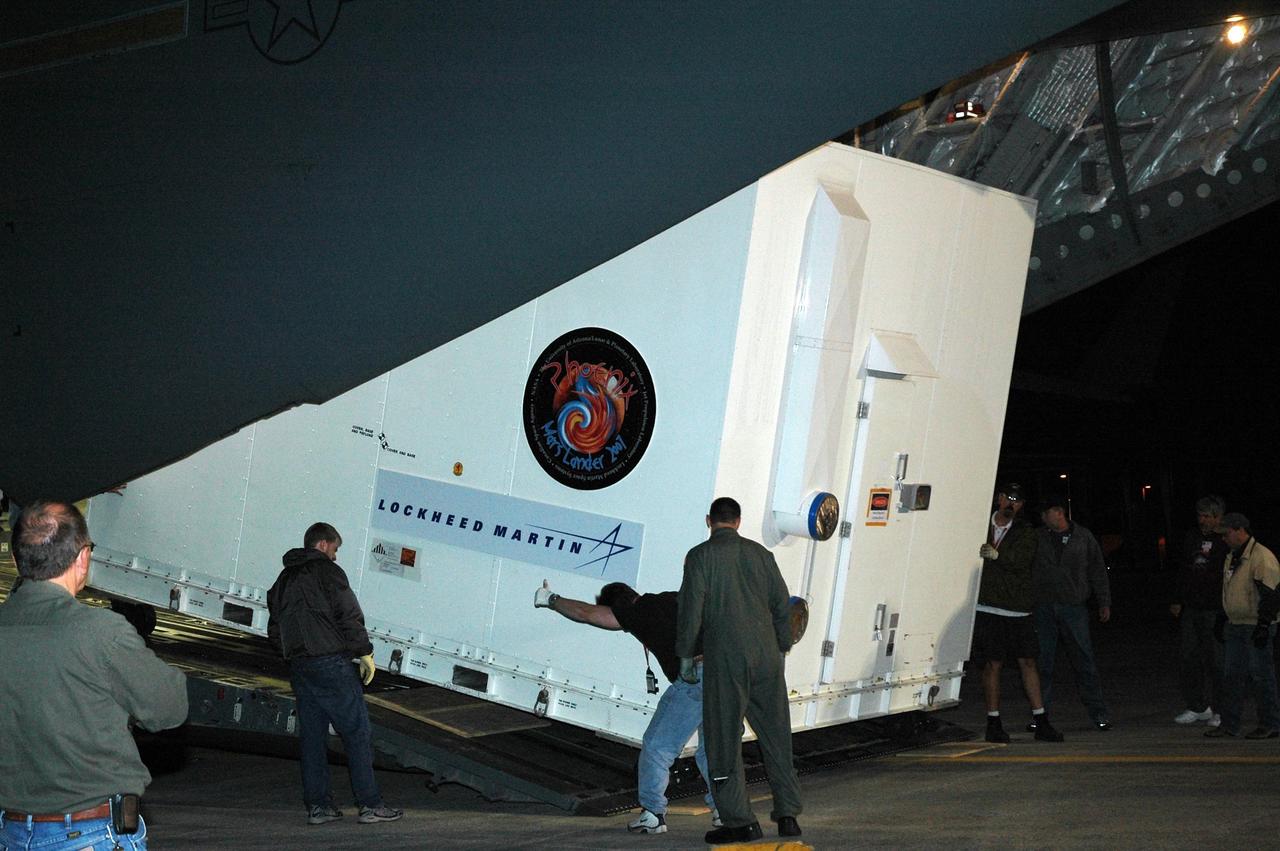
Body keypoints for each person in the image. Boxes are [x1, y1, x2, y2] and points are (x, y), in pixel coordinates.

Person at [0, 501, 188, 851]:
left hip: (11, 833)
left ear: (16, 560)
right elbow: (169, 708)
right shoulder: (101, 632)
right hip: (89, 833)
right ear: (83, 557)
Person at [534, 580, 719, 834]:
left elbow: (586, 613)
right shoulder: (671, 597)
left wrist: (551, 599)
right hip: (728, 674)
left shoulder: (636, 611)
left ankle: (653, 814)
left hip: (694, 678)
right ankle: (725, 810)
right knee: (714, 750)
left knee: (657, 747)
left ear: (619, 604)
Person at [675, 497, 802, 845]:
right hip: (767, 657)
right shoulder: (762, 555)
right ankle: (788, 814)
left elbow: (691, 610)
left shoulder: (701, 556)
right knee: (777, 737)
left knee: (722, 740)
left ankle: (740, 821)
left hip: (726, 658)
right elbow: (782, 604)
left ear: (709, 521)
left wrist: (685, 655)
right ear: (739, 521)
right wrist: (782, 645)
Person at [267, 522, 402, 825]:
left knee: (312, 738)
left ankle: (319, 807)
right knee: (357, 733)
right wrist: (364, 652)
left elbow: (275, 628)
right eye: (336, 549)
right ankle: (369, 805)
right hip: (331, 662)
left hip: (300, 666)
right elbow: (348, 614)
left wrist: (290, 654)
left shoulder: (284, 579)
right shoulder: (328, 572)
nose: (336, 556)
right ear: (324, 544)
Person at [973, 483, 1063, 743]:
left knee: (1029, 662)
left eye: (1019, 501)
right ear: (999, 498)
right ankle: (993, 723)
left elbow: (1020, 560)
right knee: (992, 665)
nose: (1013, 504)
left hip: (1018, 608)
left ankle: (1041, 720)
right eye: (1009, 498)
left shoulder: (1026, 531)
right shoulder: (980, 524)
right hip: (988, 606)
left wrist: (996, 554)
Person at [1032, 495, 1113, 731]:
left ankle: (1099, 713)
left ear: (1057, 512)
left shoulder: (1083, 536)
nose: (1043, 519)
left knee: (1085, 662)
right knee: (1043, 663)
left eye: (1045, 514)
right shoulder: (1039, 537)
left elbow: (1098, 569)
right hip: (1044, 608)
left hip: (1074, 608)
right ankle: (1040, 714)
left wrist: (1104, 601)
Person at [1204, 512, 1280, 739]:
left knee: (1261, 676)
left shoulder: (1261, 557)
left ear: (1239, 530)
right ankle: (1229, 724)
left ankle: (1271, 723)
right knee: (1232, 676)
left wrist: (1264, 625)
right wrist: (1222, 618)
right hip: (1237, 624)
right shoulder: (1234, 555)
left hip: (1255, 624)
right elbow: (1230, 591)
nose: (1223, 539)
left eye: (1226, 533)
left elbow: (1272, 595)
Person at [1170, 496, 1227, 728]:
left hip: (1215, 609)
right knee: (1188, 658)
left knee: (1217, 661)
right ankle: (1198, 706)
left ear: (1218, 517)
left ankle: (1221, 710)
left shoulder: (1225, 538)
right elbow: (1183, 568)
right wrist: (1176, 599)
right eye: (1199, 515)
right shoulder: (1192, 537)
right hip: (1192, 608)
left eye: (1207, 516)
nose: (1202, 520)